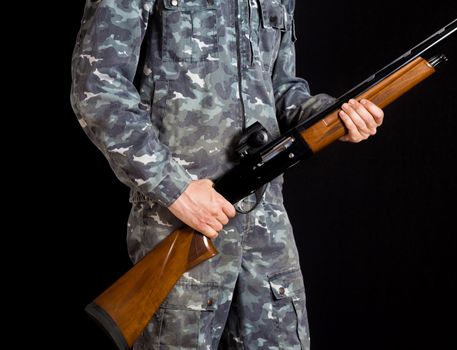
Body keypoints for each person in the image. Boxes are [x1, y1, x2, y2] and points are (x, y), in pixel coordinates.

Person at [71, 0, 384, 348]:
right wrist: (175, 188)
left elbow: (281, 89)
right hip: (179, 221)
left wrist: (333, 117)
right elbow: (98, 88)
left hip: (266, 229)